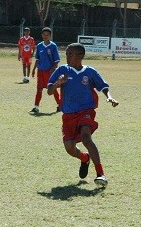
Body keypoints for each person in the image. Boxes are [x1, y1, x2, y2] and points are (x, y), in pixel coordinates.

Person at [47, 43, 119, 187]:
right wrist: (57, 84)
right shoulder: (62, 70)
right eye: (66, 54)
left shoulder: (90, 72)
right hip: (68, 115)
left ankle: (100, 174)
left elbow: (103, 86)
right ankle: (84, 158)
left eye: (69, 54)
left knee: (86, 137)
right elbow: (49, 90)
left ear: (80, 56)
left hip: (86, 111)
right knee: (70, 148)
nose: (66, 57)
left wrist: (109, 96)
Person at [30, 27, 61, 113]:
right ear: (42, 35)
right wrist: (33, 69)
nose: (45, 36)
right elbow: (37, 59)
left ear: (50, 36)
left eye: (47, 35)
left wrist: (53, 69)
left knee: (53, 88)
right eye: (44, 35)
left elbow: (57, 60)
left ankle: (59, 105)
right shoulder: (39, 46)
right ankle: (36, 107)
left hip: (50, 72)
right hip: (40, 71)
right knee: (39, 88)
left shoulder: (53, 46)